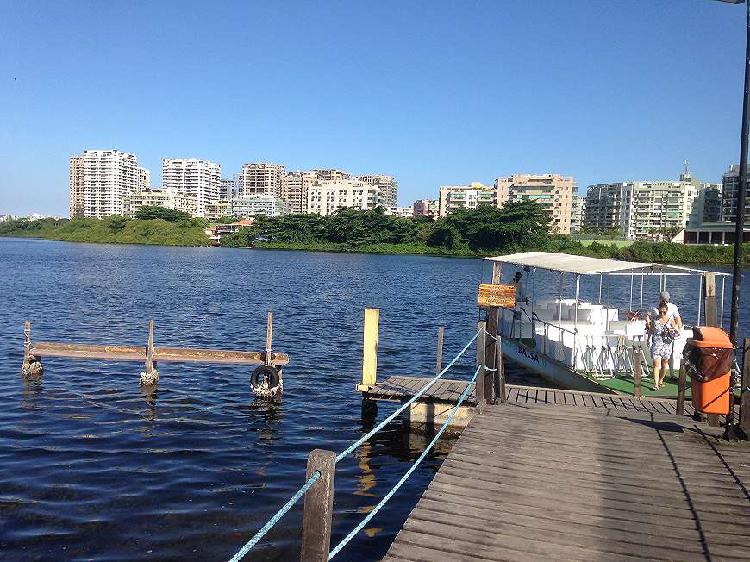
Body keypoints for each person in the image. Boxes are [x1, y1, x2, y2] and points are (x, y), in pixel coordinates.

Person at [649, 303, 679, 389]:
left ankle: (661, 380)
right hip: (657, 345)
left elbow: (675, 331)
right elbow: (651, 329)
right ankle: (655, 384)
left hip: (666, 345)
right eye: (660, 312)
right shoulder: (655, 319)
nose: (662, 314)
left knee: (664, 364)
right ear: (658, 310)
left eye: (664, 312)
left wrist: (670, 330)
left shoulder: (670, 319)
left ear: (666, 311)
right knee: (655, 365)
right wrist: (648, 338)